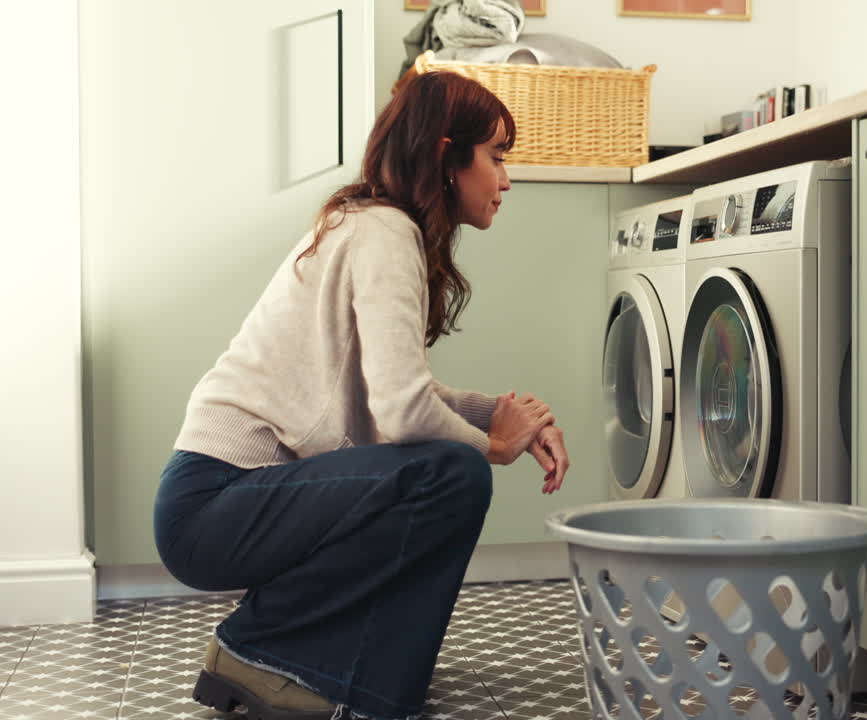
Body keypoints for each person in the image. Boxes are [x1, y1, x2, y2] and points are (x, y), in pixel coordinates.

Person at [153, 71, 570, 720]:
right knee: (451, 472)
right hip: (211, 501)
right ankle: (256, 652)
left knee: (443, 469)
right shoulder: (384, 233)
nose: (507, 179)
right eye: (496, 156)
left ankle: (369, 689)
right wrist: (493, 445)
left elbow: (403, 391)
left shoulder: (376, 228)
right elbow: (405, 414)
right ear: (444, 154)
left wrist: (502, 414)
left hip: (230, 500)